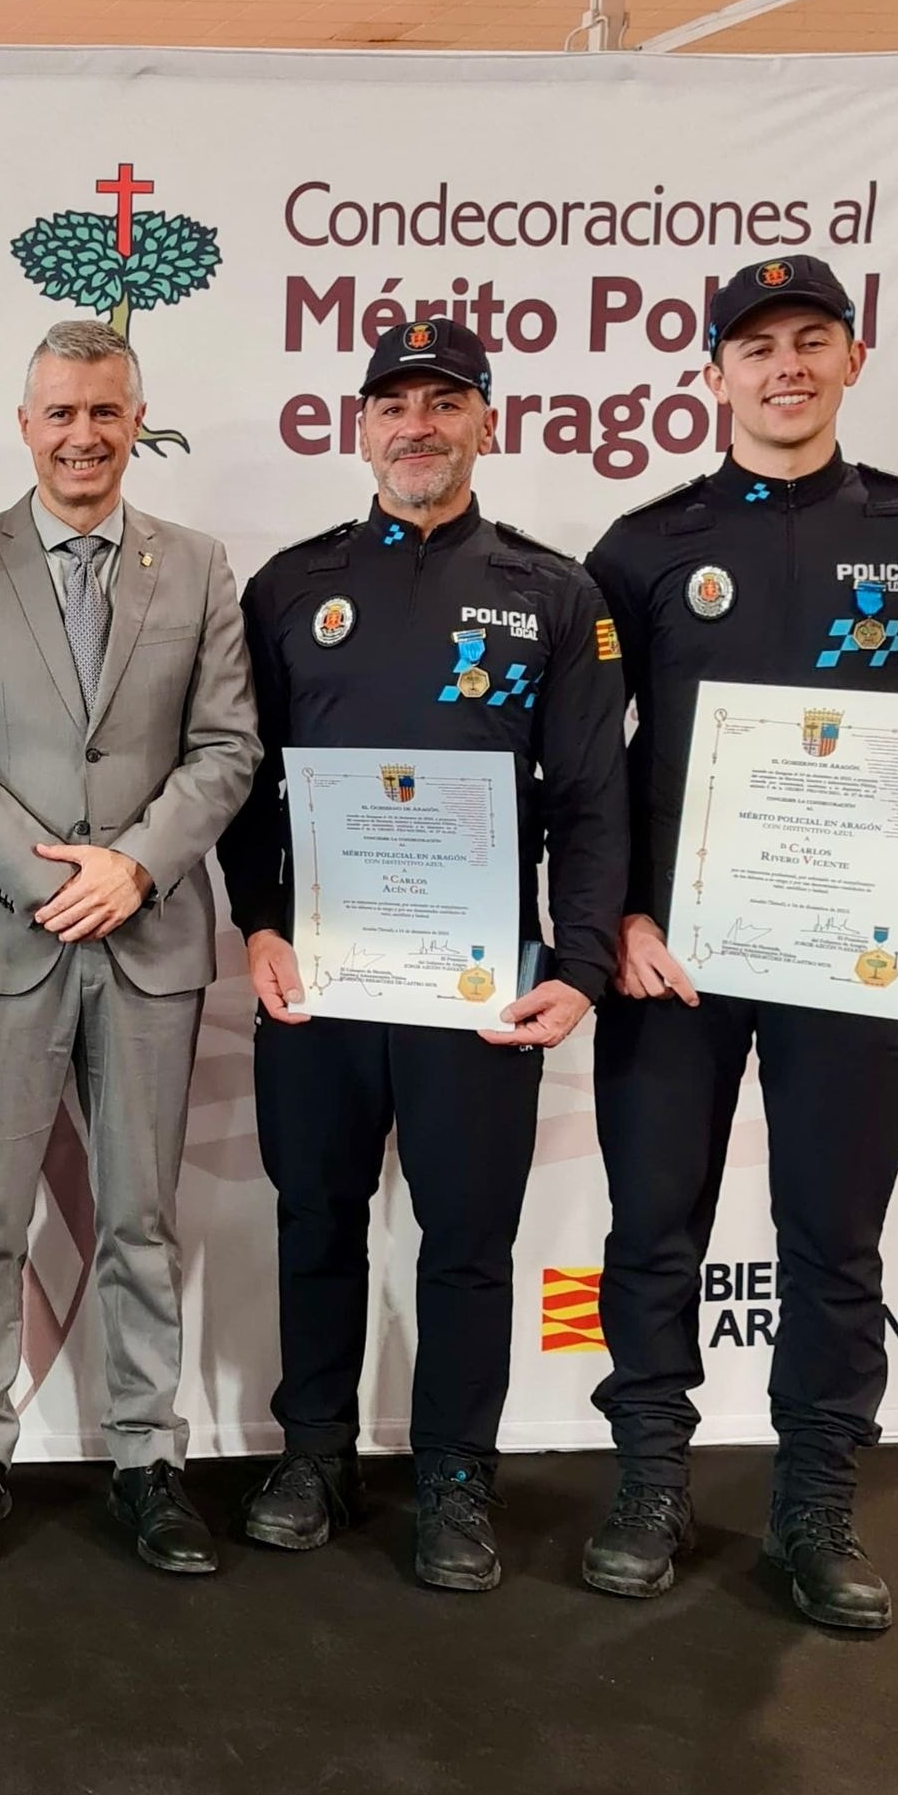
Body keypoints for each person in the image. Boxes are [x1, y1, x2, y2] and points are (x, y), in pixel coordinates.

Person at [581, 254, 898, 1631]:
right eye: (756, 345)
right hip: (673, 958)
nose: (783, 366)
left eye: (809, 340)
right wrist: (618, 915)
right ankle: (648, 1482)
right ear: (712, 373)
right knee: (652, 1226)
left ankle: (813, 1505)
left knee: (833, 1237)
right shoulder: (643, 547)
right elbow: (589, 761)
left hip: (849, 947)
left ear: (852, 358)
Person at [217, 316, 627, 1592]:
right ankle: (314, 1453)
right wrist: (258, 920)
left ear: (484, 422)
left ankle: (454, 1476)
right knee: (314, 1217)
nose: (416, 426)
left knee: (465, 1238)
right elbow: (240, 779)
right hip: (321, 976)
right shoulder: (289, 586)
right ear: (359, 429)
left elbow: (591, 798)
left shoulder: (554, 592)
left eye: (443, 403)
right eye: (392, 405)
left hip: (478, 984)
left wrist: (579, 962)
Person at [0, 319, 259, 1575]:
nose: (82, 435)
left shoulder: (197, 567)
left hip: (150, 936)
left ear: (135, 422)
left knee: (141, 1217)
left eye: (105, 411)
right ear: (24, 425)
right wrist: (55, 875)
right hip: (6, 935)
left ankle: (147, 1457)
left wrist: (135, 865)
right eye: (59, 412)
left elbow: (226, 746)